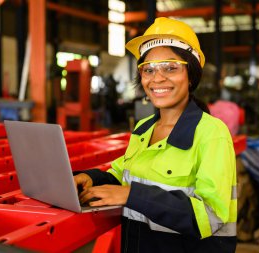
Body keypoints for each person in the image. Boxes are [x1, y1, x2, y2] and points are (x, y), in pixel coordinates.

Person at [74, 17, 237, 252]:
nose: (157, 78)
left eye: (170, 67)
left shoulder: (211, 134)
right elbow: (123, 174)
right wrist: (91, 179)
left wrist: (133, 196)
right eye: (148, 69)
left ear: (191, 75)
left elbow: (211, 217)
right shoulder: (143, 129)